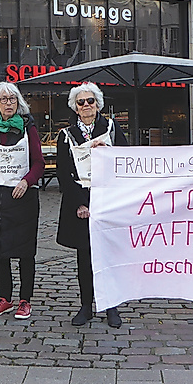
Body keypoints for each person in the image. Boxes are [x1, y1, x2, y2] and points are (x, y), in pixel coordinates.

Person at [56, 82, 128, 328]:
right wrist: (79, 203)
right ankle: (86, 305)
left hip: (108, 199)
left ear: (98, 104)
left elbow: (126, 160)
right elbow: (64, 174)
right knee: (84, 257)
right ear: (75, 108)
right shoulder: (66, 135)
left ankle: (111, 306)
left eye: (90, 101)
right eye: (81, 102)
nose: (86, 106)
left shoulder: (110, 127)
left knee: (108, 256)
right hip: (81, 201)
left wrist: (108, 150)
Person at [0, 81, 44, 320]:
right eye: (3, 100)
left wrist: (26, 181)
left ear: (19, 103)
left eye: (12, 99)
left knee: (25, 251)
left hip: (23, 195)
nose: (8, 103)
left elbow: (39, 162)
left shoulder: (29, 127)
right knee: (0, 249)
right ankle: (4, 297)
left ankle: (25, 299)